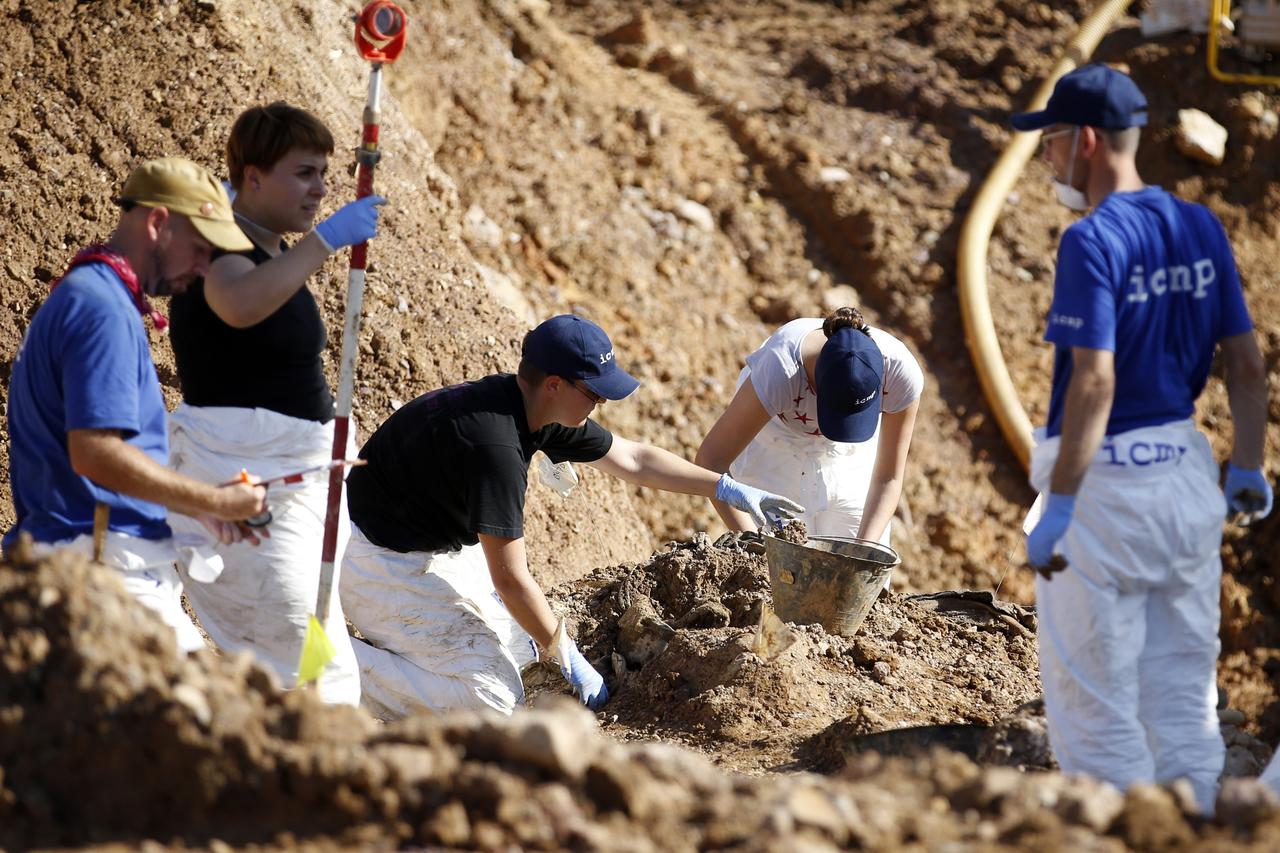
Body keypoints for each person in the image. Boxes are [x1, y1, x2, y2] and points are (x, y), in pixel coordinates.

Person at [1013, 64, 1271, 814]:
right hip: (1185, 475)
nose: (1048, 158)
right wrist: (1246, 466)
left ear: (1089, 140)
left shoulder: (1091, 241)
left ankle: (1124, 833)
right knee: (1184, 690)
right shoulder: (1199, 225)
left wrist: (1058, 505)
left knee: (1093, 704)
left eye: (1054, 141)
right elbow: (1247, 366)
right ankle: (1190, 821)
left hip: (1105, 490)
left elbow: (1095, 382)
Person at [339, 314, 804, 718]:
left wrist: (723, 486)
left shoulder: (531, 406)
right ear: (555, 384)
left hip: (426, 543)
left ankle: (397, 655)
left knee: (523, 653)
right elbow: (512, 580)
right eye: (594, 393)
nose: (600, 404)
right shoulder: (494, 447)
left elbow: (634, 459)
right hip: (376, 558)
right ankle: (317, 658)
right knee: (492, 700)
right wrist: (569, 658)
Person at [165, 103, 385, 706]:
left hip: (294, 484)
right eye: (304, 173)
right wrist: (324, 241)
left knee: (316, 660)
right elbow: (237, 304)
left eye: (324, 174)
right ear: (253, 177)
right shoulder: (221, 247)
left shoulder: (266, 249)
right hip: (251, 488)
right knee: (309, 667)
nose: (319, 189)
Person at [4, 157, 268, 652]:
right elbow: (95, 454)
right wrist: (211, 501)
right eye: (201, 248)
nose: (206, 267)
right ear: (158, 223)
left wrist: (194, 508)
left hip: (88, 555)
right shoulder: (103, 310)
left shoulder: (90, 293)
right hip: (103, 569)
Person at [695, 307, 922, 548]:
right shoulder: (781, 370)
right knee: (785, 563)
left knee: (859, 552)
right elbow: (711, 461)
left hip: (848, 455)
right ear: (815, 385)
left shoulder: (900, 373)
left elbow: (888, 477)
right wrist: (757, 545)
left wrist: (865, 552)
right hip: (775, 444)